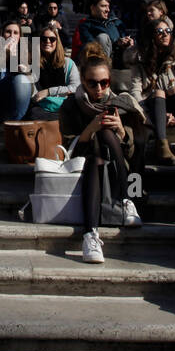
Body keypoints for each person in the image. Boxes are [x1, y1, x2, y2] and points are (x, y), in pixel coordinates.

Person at [57, 44, 146, 263]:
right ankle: (91, 234)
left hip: (118, 171)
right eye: (92, 83)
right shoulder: (71, 105)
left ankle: (126, 200)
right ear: (83, 81)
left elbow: (135, 152)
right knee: (95, 157)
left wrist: (121, 130)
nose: (99, 88)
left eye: (104, 82)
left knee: (108, 133)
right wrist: (89, 129)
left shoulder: (123, 104)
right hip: (84, 169)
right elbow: (70, 150)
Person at [129, 12, 175, 165]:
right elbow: (135, 92)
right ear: (151, 36)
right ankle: (162, 145)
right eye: (159, 31)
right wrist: (148, 115)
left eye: (168, 31)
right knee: (158, 92)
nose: (165, 35)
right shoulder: (140, 61)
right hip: (150, 107)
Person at [24, 23, 78, 121]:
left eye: (52, 39)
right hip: (42, 107)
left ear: (57, 42)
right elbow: (34, 94)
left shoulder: (68, 63)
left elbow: (75, 88)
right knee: (33, 113)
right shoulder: (32, 63)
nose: (47, 41)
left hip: (64, 105)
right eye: (44, 39)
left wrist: (48, 92)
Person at [76, 0, 133, 65]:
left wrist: (128, 41)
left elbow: (125, 36)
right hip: (99, 62)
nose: (107, 10)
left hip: (120, 59)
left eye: (108, 6)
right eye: (103, 6)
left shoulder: (116, 22)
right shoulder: (86, 25)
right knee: (102, 37)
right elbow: (91, 44)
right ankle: (104, 67)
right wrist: (116, 42)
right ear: (92, 8)